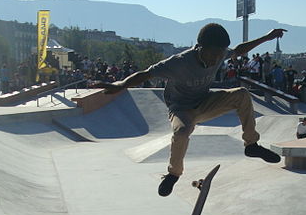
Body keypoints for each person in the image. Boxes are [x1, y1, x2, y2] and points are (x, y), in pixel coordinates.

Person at [94, 23, 285, 196]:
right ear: (200, 48)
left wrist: (267, 37)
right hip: (181, 109)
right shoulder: (179, 62)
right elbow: (146, 74)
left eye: (220, 55)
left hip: (205, 102)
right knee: (183, 131)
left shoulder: (219, 54)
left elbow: (239, 50)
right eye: (213, 55)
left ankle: (251, 145)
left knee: (242, 94)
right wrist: (121, 84)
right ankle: (173, 174)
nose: (216, 59)